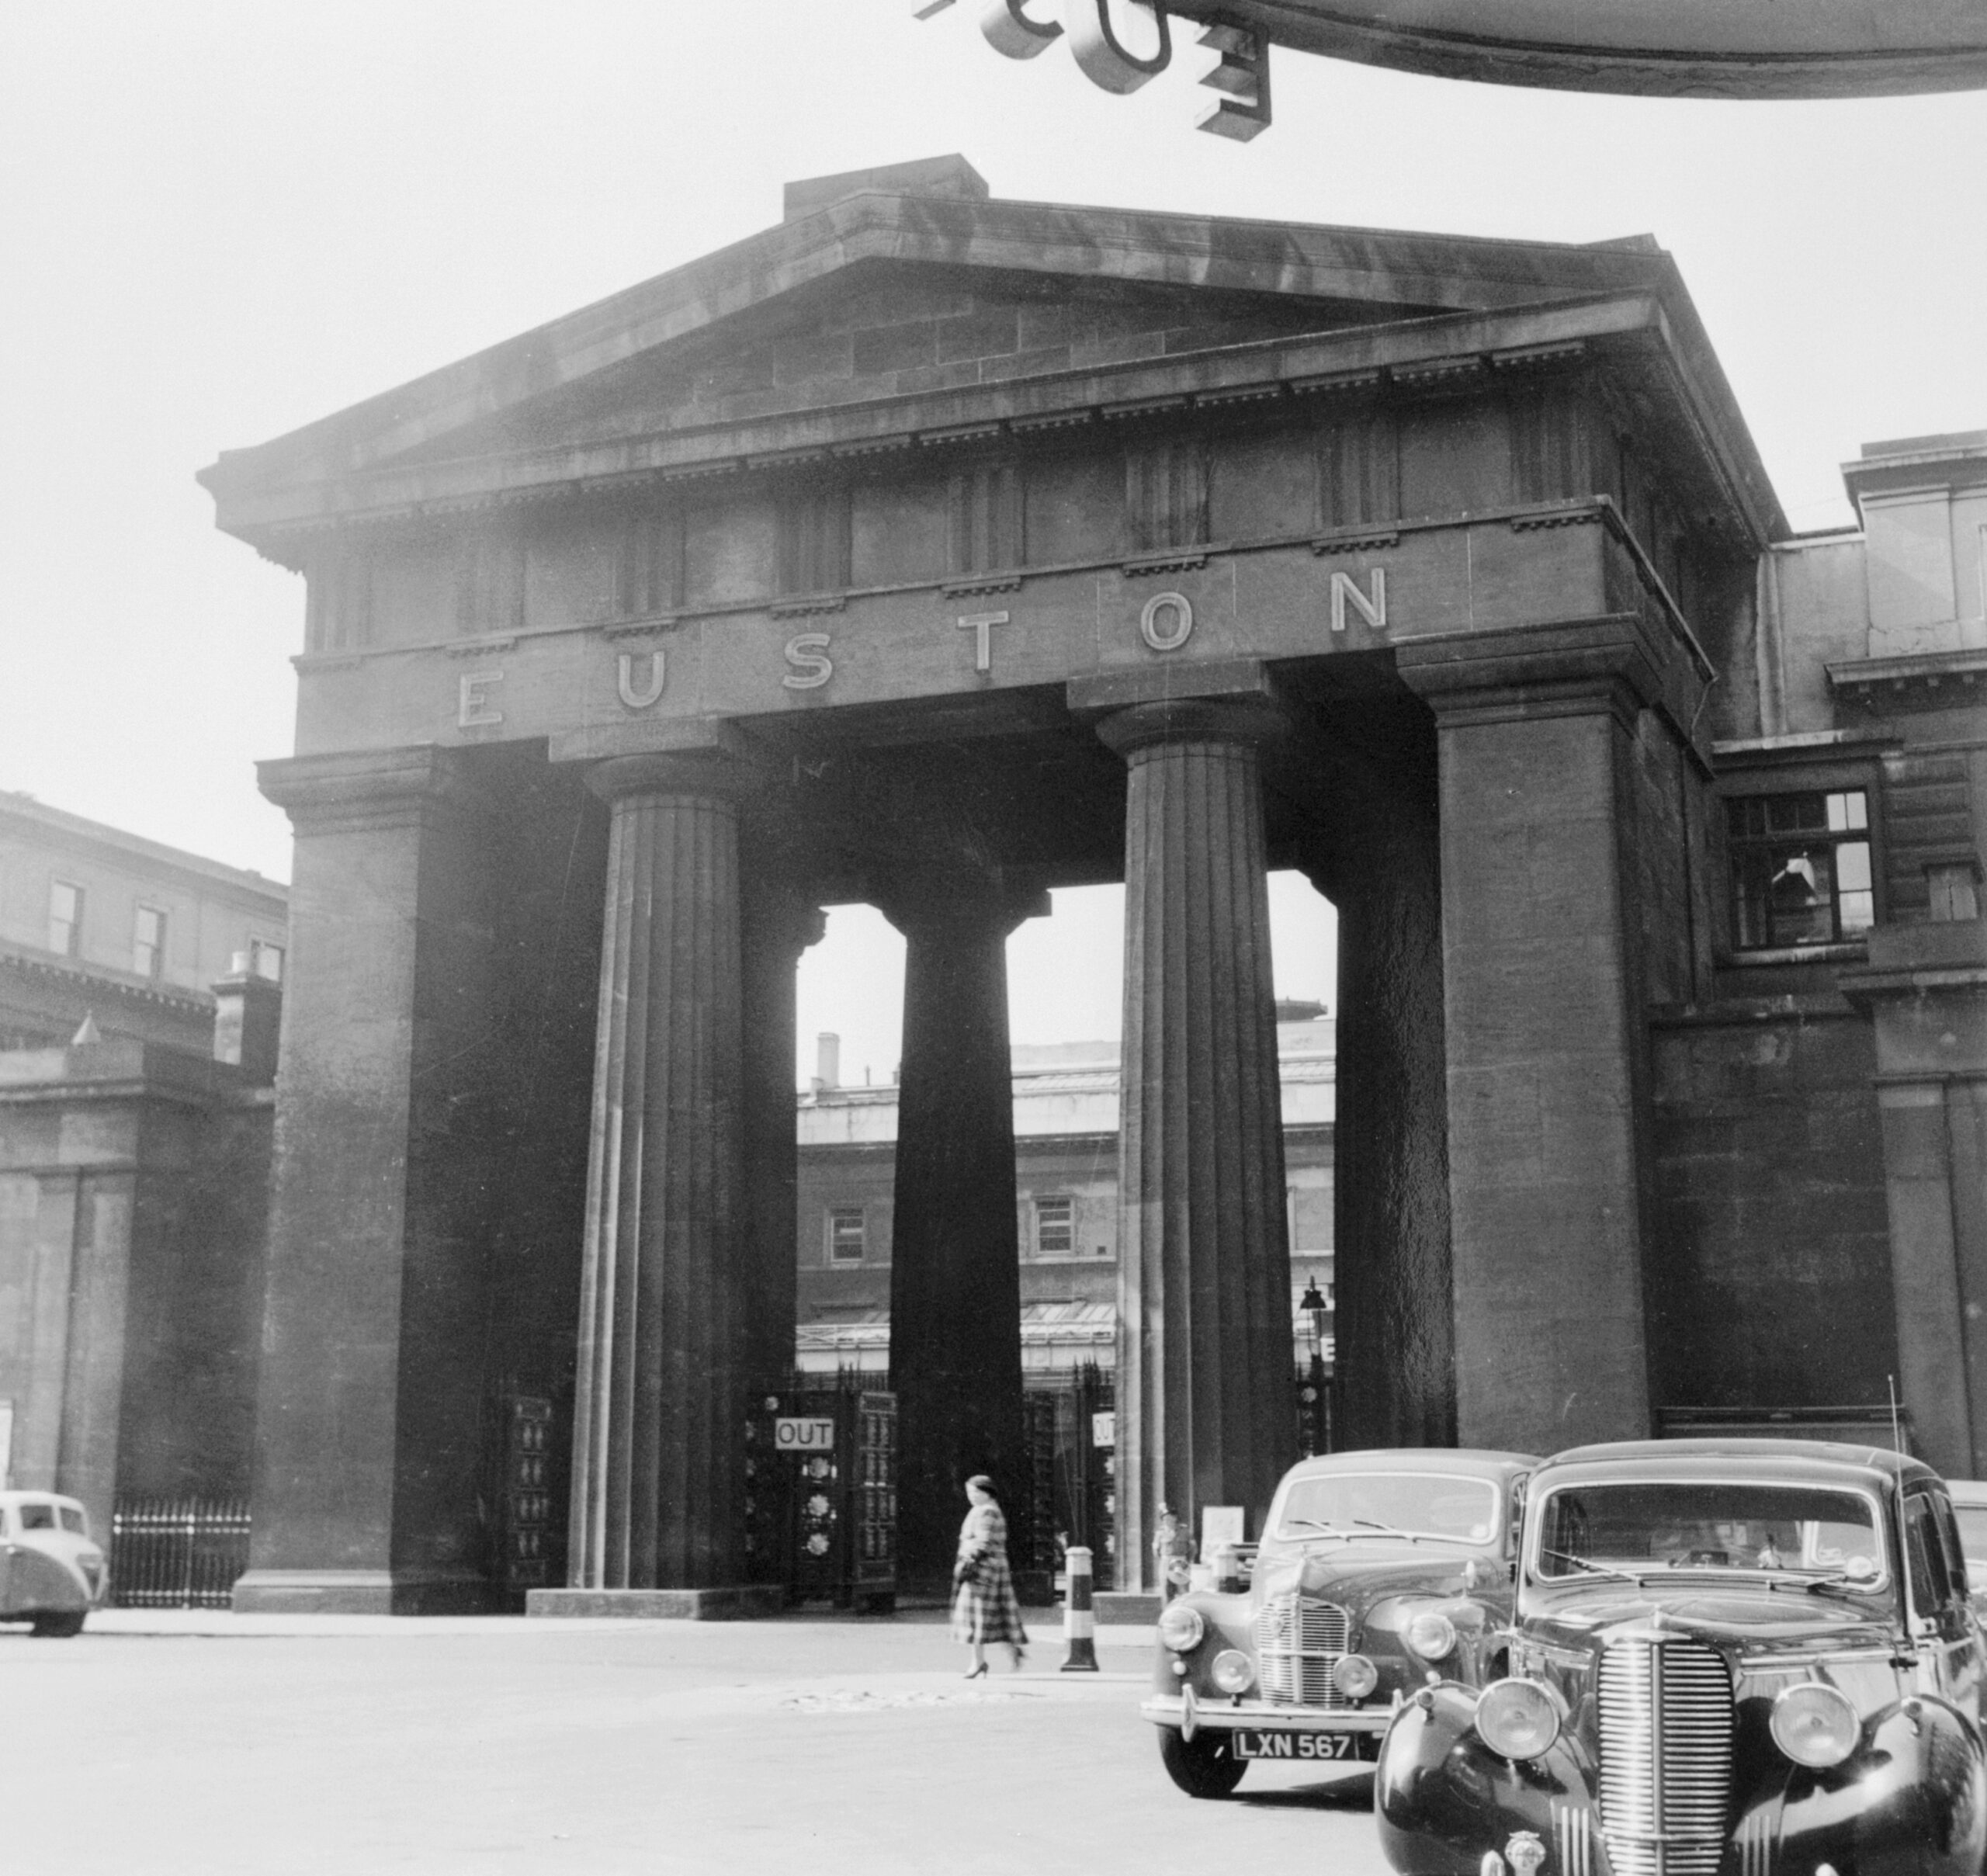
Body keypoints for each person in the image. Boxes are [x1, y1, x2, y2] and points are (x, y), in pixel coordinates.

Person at [952, 1475, 1028, 1677]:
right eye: (969, 1493)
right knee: (996, 1615)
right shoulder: (985, 1510)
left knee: (975, 1617)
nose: (972, 1497)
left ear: (987, 1492)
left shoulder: (987, 1512)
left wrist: (969, 1559)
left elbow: (983, 1542)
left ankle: (978, 1663)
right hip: (992, 1569)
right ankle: (1011, 1651)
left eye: (976, 1492)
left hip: (982, 1570)